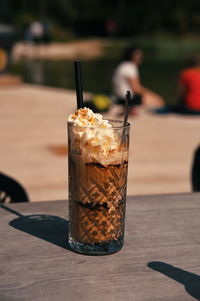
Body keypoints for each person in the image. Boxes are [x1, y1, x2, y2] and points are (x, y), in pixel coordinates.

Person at [112, 45, 164, 115]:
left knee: (149, 98)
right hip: (126, 99)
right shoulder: (130, 67)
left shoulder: (123, 65)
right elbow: (136, 88)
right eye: (138, 54)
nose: (140, 56)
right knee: (156, 101)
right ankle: (131, 109)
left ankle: (129, 109)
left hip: (119, 97)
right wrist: (154, 96)